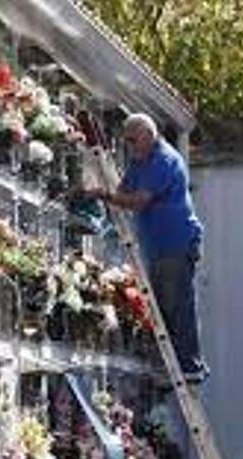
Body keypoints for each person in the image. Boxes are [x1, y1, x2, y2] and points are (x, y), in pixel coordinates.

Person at [85, 113, 208, 383]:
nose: (129, 145)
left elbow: (138, 200)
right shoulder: (140, 161)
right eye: (126, 140)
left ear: (149, 135)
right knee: (165, 308)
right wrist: (104, 190)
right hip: (157, 245)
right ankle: (177, 363)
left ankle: (189, 366)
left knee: (177, 307)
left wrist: (106, 196)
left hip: (175, 242)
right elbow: (122, 188)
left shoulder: (163, 160)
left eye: (133, 139)